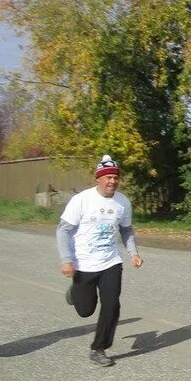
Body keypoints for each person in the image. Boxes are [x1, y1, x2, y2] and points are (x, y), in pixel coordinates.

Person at [56, 155, 143, 367]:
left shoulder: (122, 202)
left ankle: (99, 348)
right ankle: (75, 293)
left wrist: (133, 253)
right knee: (85, 310)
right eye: (108, 177)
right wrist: (67, 259)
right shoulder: (82, 200)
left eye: (115, 177)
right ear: (98, 179)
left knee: (112, 304)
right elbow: (63, 230)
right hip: (84, 263)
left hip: (110, 261)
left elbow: (126, 229)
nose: (112, 181)